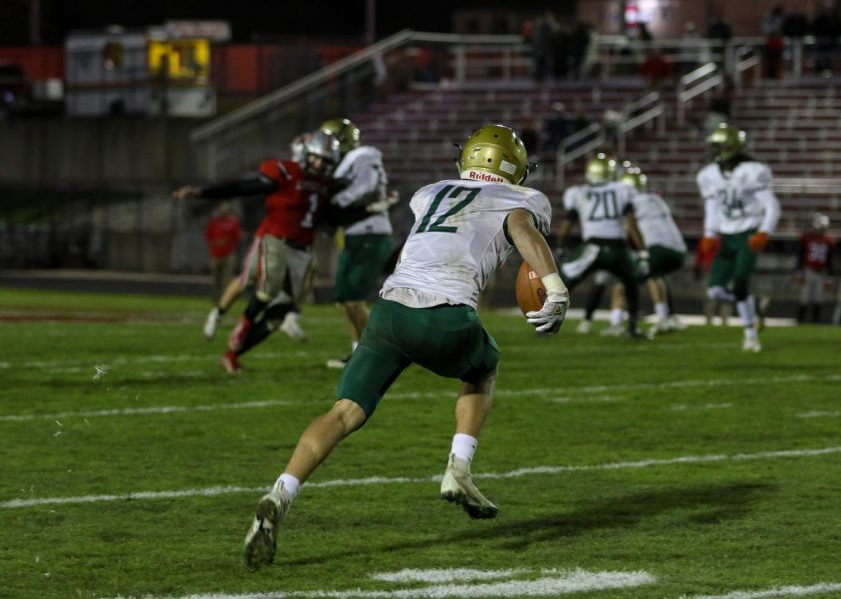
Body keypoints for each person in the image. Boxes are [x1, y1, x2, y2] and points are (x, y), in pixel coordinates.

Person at [241, 124, 568, 568]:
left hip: (389, 312)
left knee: (343, 412)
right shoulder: (520, 199)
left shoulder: (430, 192)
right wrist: (555, 287)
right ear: (516, 168)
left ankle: (280, 492)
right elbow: (521, 229)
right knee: (482, 368)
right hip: (445, 314)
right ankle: (459, 468)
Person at [174, 130, 341, 373]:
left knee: (278, 316)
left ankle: (232, 354)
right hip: (275, 238)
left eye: (325, 161)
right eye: (317, 158)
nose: (319, 164)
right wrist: (203, 192)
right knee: (264, 285)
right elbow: (245, 187)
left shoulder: (326, 185)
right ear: (305, 153)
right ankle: (236, 321)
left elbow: (330, 219)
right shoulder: (285, 172)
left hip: (302, 248)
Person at [318, 118, 397, 369]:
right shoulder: (344, 162)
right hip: (355, 233)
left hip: (370, 233)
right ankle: (358, 352)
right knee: (343, 299)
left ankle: (375, 354)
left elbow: (366, 185)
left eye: (328, 140)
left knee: (352, 298)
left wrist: (337, 202)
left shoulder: (364, 154)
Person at [698, 124, 781, 352]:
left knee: (741, 282)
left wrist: (764, 231)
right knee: (714, 291)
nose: (713, 151)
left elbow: (772, 206)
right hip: (726, 236)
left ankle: (750, 335)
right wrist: (709, 234)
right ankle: (753, 305)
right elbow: (712, 206)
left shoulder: (753, 170)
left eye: (718, 146)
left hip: (748, 233)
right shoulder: (709, 174)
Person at [557, 153, 647, 338]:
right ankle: (632, 327)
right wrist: (642, 252)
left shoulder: (579, 192)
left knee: (564, 282)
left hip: (592, 247)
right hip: (618, 248)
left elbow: (567, 225)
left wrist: (560, 246)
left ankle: (548, 323)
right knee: (631, 285)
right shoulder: (622, 189)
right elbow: (631, 225)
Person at [619, 166, 687, 335]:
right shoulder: (656, 199)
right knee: (656, 276)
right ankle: (668, 318)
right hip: (679, 250)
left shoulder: (631, 203)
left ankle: (623, 322)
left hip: (658, 248)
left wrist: (640, 251)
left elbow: (631, 227)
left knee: (627, 280)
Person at [795, 213, 836, 323]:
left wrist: (829, 277)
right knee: (804, 297)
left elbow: (829, 261)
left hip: (821, 272)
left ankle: (815, 321)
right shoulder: (806, 239)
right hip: (808, 271)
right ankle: (800, 320)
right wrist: (799, 272)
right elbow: (801, 256)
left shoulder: (828, 241)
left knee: (818, 298)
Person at [204, 201, 242, 304]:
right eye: (221, 209)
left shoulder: (233, 222)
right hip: (215, 254)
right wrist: (215, 243)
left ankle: (226, 299)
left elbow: (237, 237)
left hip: (229, 254)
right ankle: (215, 298)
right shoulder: (214, 222)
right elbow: (208, 236)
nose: (223, 211)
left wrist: (229, 244)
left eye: (225, 209)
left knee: (227, 278)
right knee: (216, 278)